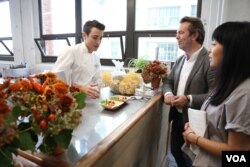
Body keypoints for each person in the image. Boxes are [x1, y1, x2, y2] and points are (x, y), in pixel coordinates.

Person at [182, 21, 250, 166]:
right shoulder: (227, 84)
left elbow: (237, 154)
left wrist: (195, 139)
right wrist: (196, 128)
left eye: (214, 44)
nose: (210, 50)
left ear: (232, 50)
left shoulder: (245, 94)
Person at [163, 16, 215, 167]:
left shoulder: (210, 60)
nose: (176, 36)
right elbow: (168, 81)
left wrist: (189, 98)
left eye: (181, 33)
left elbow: (214, 94)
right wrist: (168, 94)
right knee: (175, 151)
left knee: (192, 159)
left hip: (196, 123)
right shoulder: (180, 60)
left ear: (194, 35)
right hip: (178, 117)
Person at [53, 20, 105, 99]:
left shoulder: (96, 58)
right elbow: (57, 81)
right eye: (95, 37)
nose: (98, 42)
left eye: (100, 38)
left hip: (88, 101)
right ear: (84, 35)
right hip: (70, 101)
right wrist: (80, 88)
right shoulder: (71, 51)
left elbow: (97, 81)